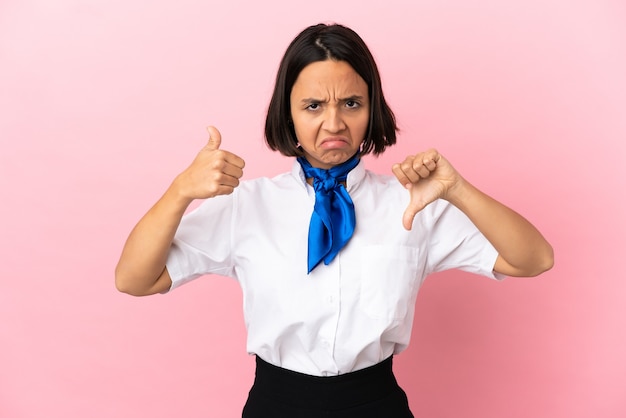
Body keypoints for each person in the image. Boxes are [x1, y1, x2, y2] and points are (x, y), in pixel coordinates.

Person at [115, 23, 554, 418]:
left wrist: (457, 189)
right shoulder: (246, 205)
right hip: (276, 405)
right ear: (287, 111)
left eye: (351, 102)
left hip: (376, 404)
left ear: (372, 107)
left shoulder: (414, 201)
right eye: (312, 105)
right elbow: (135, 279)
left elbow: (533, 259)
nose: (334, 122)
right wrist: (180, 192)